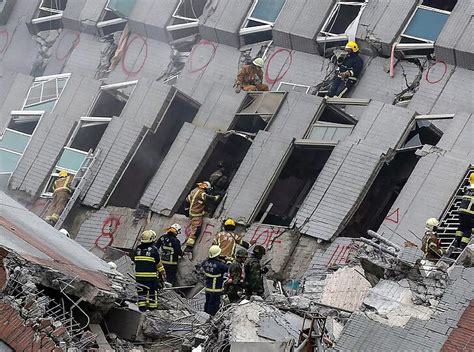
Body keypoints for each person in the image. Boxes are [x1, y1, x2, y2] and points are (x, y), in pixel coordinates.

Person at [133, 230, 166, 311]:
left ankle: (142, 309)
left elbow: (136, 261)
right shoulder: (154, 250)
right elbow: (158, 264)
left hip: (139, 277)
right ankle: (152, 310)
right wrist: (163, 273)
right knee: (152, 293)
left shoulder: (137, 249)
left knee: (141, 293)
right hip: (151, 277)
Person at [184, 181, 220, 252]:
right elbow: (207, 197)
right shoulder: (201, 193)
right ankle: (189, 247)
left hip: (191, 213)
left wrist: (186, 211)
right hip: (197, 215)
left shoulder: (194, 191)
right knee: (196, 231)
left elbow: (187, 201)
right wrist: (216, 197)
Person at [201, 245, 229, 316]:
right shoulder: (220, 265)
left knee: (207, 303)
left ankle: (205, 316)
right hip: (216, 289)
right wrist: (228, 261)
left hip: (208, 288)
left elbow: (205, 264)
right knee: (214, 305)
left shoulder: (205, 262)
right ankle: (211, 318)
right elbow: (228, 268)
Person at [454, 173, 474, 249]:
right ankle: (462, 246)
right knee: (468, 229)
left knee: (461, 227)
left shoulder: (467, 189)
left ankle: (456, 243)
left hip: (461, 213)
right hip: (469, 214)